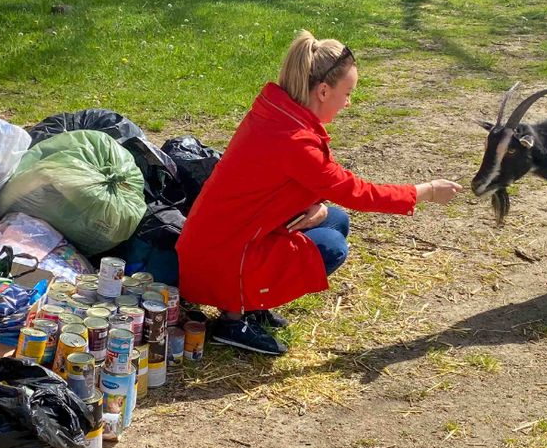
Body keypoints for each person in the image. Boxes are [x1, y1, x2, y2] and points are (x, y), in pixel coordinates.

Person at [176, 30, 462, 356]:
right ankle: (233, 319)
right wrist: (424, 191)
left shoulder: (278, 113)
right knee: (332, 247)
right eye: (348, 93)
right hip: (221, 260)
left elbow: (283, 185)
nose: (349, 102)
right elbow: (356, 192)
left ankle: (251, 304)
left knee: (335, 219)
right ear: (323, 90)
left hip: (218, 242)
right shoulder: (295, 141)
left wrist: (318, 205)